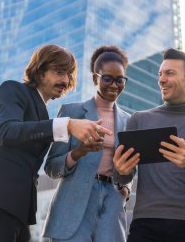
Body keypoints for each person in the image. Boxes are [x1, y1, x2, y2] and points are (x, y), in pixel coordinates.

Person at [0, 44, 112, 242]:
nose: (65, 80)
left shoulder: (42, 111)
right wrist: (66, 124)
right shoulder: (12, 89)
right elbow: (6, 132)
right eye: (58, 72)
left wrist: (79, 151)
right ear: (39, 71)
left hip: (18, 213)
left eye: (68, 74)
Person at [113, 48, 185, 242]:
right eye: (160, 74)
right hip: (145, 223)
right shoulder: (139, 120)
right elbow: (122, 176)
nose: (162, 80)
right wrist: (121, 170)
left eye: (170, 73)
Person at [42, 45, 131, 242]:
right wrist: (78, 152)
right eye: (107, 78)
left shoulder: (129, 121)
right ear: (95, 78)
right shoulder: (71, 112)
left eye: (119, 80)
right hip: (74, 202)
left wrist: (125, 188)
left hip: (112, 202)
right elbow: (51, 167)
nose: (114, 85)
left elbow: (131, 170)